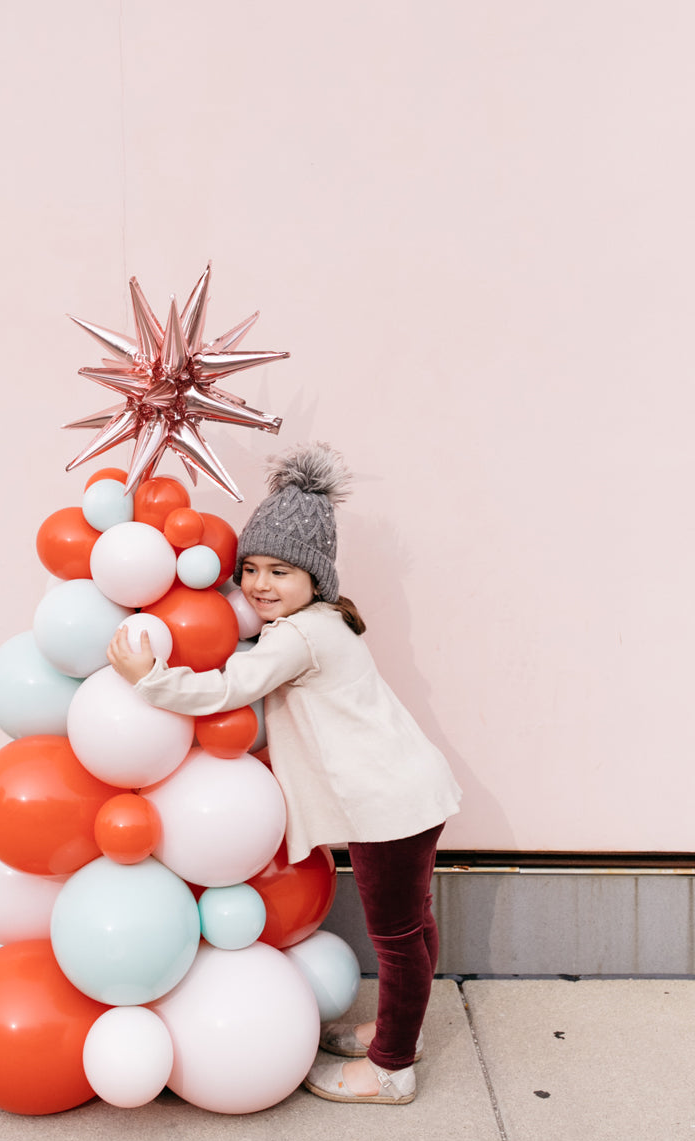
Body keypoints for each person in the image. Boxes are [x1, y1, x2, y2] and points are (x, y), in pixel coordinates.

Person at [107, 441, 461, 1105]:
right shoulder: (324, 622)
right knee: (413, 927)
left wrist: (149, 679)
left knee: (396, 936)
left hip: (391, 804)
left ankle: (390, 1068)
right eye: (252, 569)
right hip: (407, 794)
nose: (261, 584)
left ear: (316, 580)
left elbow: (228, 689)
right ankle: (398, 1034)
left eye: (281, 572)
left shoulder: (298, 636)